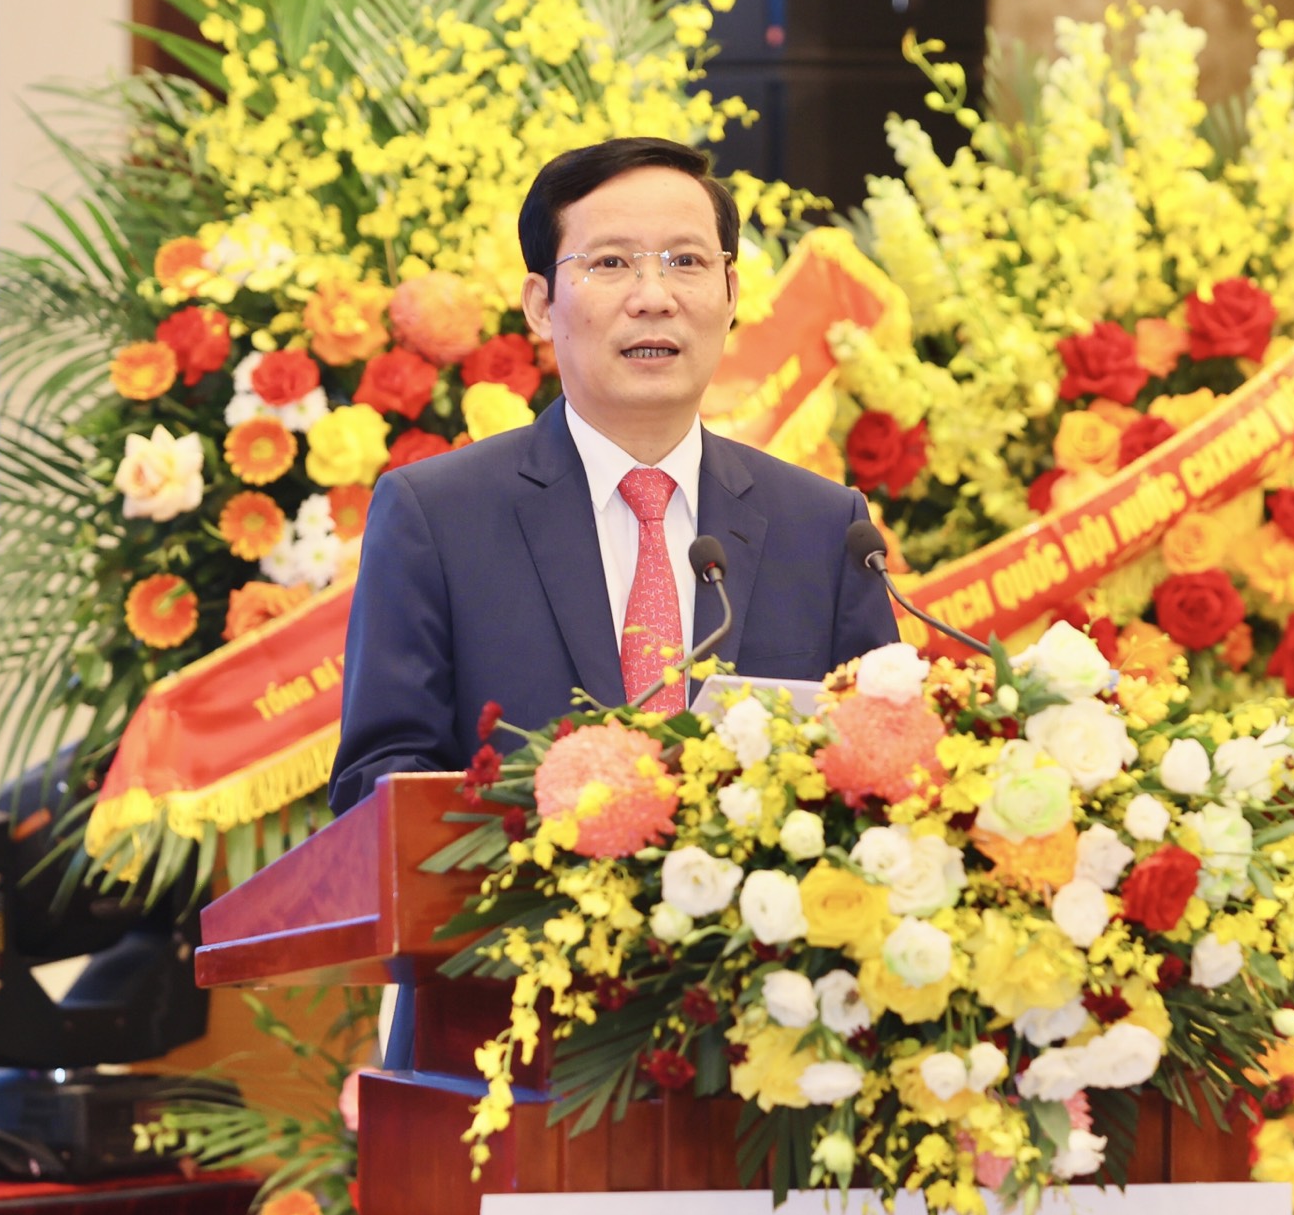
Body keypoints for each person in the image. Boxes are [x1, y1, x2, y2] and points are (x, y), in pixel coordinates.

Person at [327, 136, 900, 813]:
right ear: (540, 305)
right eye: (610, 263)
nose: (653, 297)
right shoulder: (437, 516)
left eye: (686, 261)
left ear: (730, 293)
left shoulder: (825, 527)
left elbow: (882, 763)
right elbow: (380, 786)